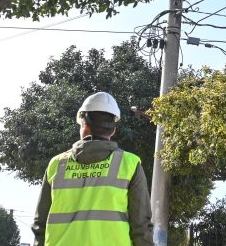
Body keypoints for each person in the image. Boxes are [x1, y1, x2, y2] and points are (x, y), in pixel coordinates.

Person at [32, 92, 153, 246]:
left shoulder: (56, 164)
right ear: (113, 129)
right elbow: (141, 226)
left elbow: (40, 224)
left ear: (84, 124)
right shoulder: (129, 164)